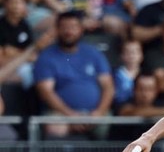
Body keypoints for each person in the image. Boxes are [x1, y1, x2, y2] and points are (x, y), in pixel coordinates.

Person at [32, 10, 113, 139]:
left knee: (116, 123)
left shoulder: (93, 53)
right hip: (60, 113)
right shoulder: (46, 56)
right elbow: (45, 92)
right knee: (55, 127)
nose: (69, 32)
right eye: (64, 27)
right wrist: (70, 115)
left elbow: (108, 86)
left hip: (95, 113)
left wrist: (99, 112)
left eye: (73, 27)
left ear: (81, 29)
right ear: (57, 29)